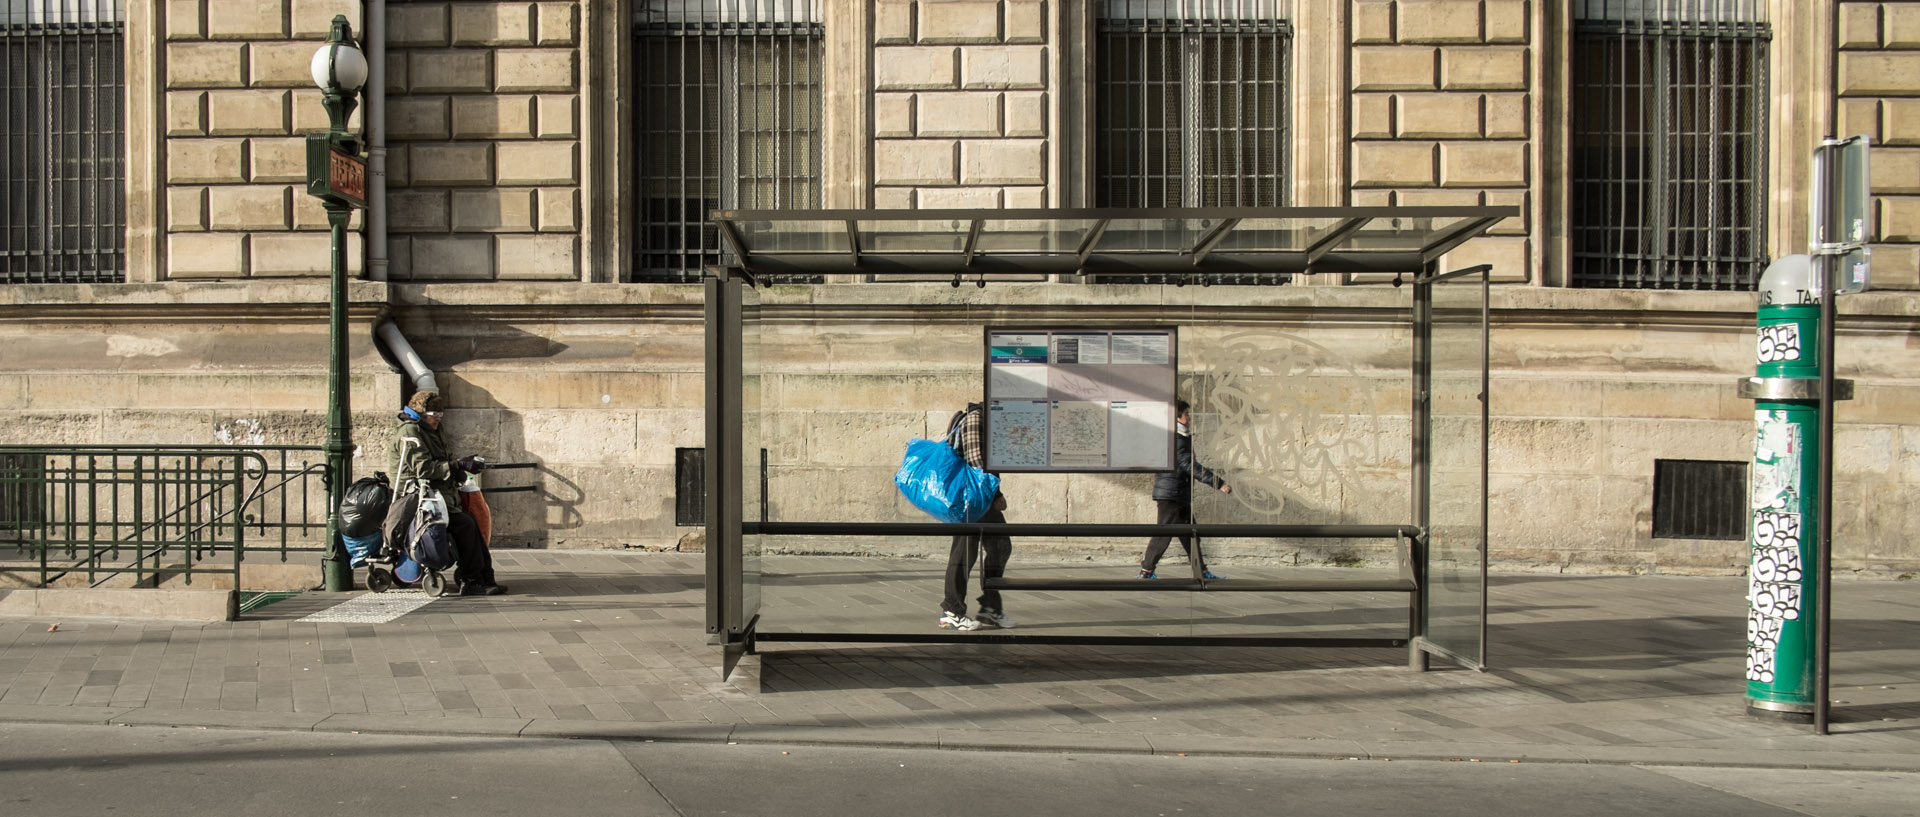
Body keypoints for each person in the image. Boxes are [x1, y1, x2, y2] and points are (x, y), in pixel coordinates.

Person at [393, 390, 507, 596]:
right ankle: (471, 580)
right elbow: (424, 469)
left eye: (440, 414)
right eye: (433, 413)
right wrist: (455, 465)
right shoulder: (410, 432)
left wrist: (461, 470)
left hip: (439, 495)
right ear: (420, 412)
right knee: (465, 524)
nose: (437, 418)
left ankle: (484, 577)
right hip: (419, 497)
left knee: (472, 522)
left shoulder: (433, 430)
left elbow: (444, 459)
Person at [938, 401, 1015, 630]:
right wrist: (996, 495)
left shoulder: (988, 419)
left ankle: (990, 608)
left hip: (981, 497)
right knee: (964, 553)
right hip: (972, 498)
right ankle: (952, 609)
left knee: (1000, 546)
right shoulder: (976, 419)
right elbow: (977, 462)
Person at [1139, 400, 1231, 580]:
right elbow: (1188, 465)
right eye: (1186, 414)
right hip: (1172, 494)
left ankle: (1201, 571)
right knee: (1163, 535)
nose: (1189, 417)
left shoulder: (1176, 436)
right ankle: (1147, 570)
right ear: (1177, 418)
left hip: (1177, 493)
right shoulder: (1176, 439)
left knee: (1191, 535)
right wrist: (1218, 483)